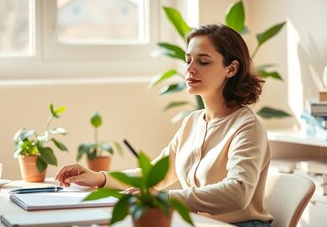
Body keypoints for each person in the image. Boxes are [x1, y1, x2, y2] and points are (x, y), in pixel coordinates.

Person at [55, 24, 273, 227]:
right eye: (188, 60)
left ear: (231, 69)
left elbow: (238, 193)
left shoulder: (248, 126)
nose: (191, 69)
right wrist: (99, 177)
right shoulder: (193, 122)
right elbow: (156, 176)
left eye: (203, 61)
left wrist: (164, 198)